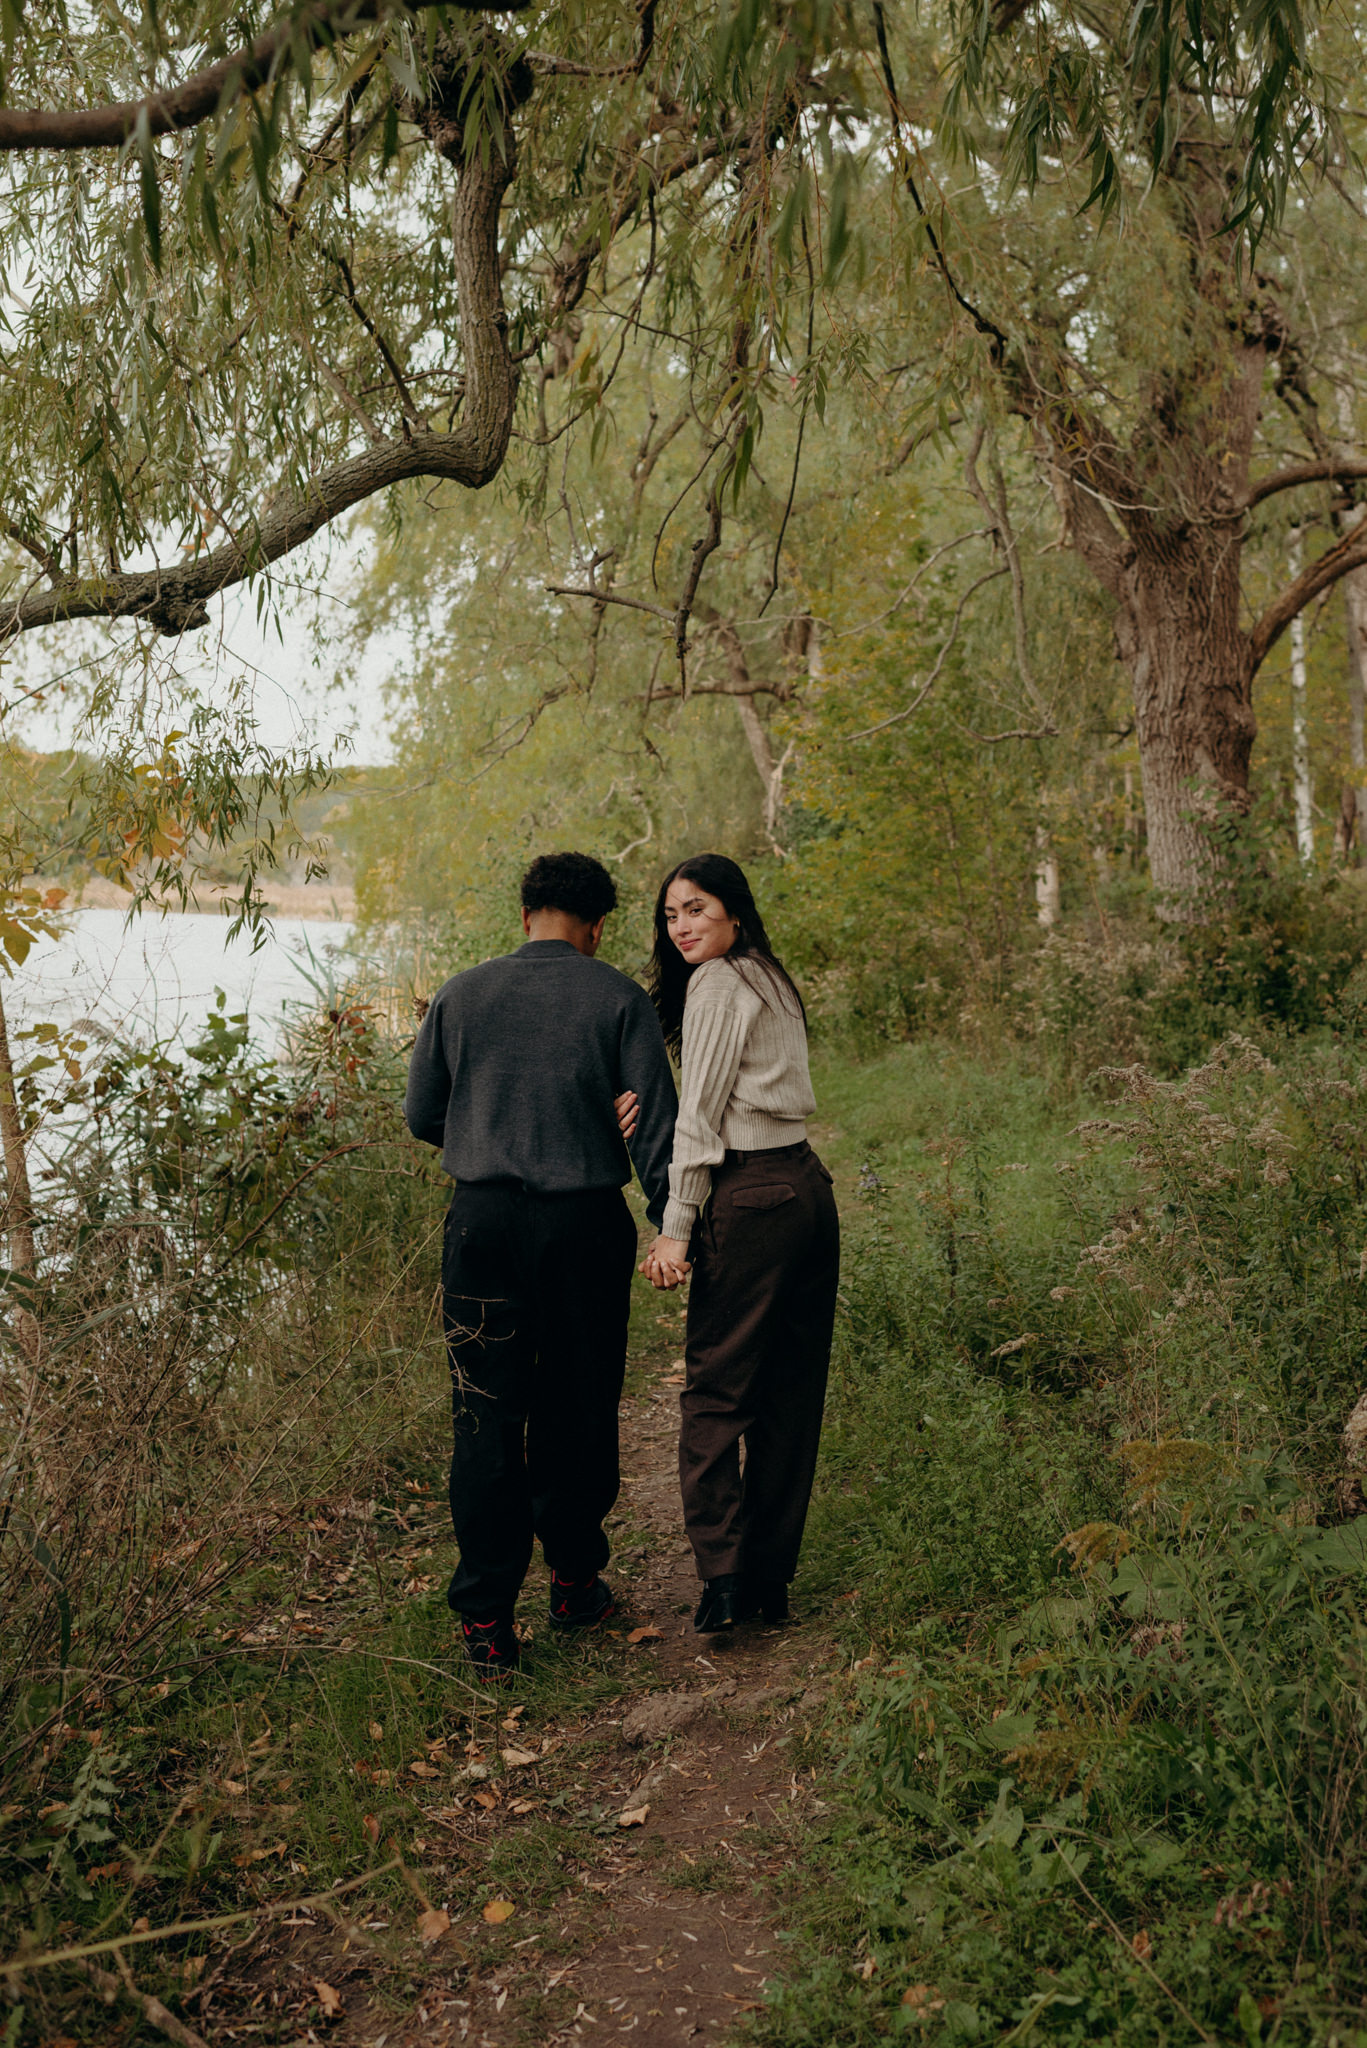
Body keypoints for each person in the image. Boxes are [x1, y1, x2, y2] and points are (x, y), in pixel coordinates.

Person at [404, 851, 677, 1685]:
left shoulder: (460, 993)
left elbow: (422, 1116)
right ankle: (572, 1582)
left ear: (524, 916)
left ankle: (487, 1623)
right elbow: (655, 1133)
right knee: (577, 1400)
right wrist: (672, 1224)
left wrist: (488, 1121)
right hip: (583, 1227)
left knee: (483, 1411)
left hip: (480, 1224)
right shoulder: (619, 999)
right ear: (599, 927)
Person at [634, 854, 840, 1633]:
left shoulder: (719, 984)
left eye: (695, 909)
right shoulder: (768, 977)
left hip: (750, 1192)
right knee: (790, 1396)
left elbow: (701, 1118)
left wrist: (674, 1228)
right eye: (670, 915)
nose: (681, 926)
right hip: (806, 1191)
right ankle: (766, 1583)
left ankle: (723, 1581)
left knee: (717, 1396)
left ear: (732, 912)